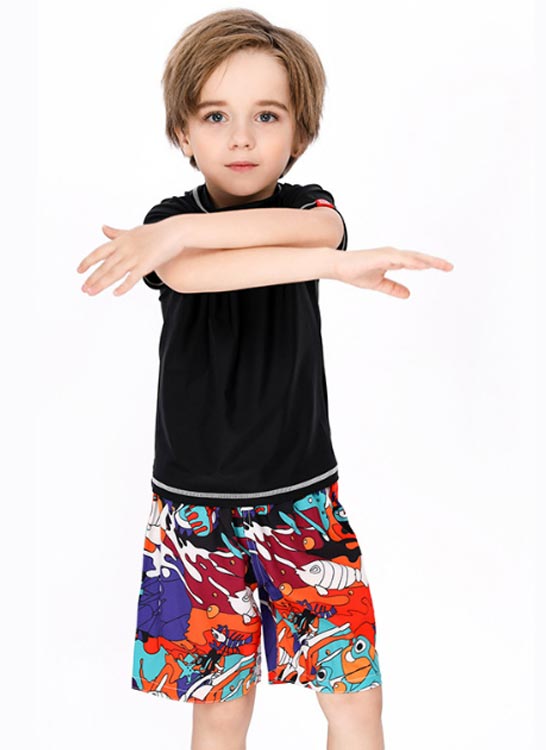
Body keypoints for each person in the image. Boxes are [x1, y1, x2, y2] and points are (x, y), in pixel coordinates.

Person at [76, 9, 453, 750]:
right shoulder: (167, 226)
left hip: (303, 501)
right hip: (194, 514)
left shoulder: (308, 209)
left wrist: (189, 236)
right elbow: (196, 273)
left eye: (267, 115)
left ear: (299, 134)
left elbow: (317, 234)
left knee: (355, 699)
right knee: (220, 713)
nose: (241, 138)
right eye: (215, 116)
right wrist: (182, 234)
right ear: (183, 133)